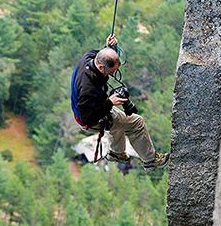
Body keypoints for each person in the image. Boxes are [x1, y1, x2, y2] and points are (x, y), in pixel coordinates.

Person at [71, 34, 169, 171]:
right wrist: (109, 102)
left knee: (118, 120)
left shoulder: (89, 57)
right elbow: (87, 118)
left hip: (92, 107)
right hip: (89, 118)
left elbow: (102, 55)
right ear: (100, 67)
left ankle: (116, 153)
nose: (113, 74)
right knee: (136, 123)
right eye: (111, 72)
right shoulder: (88, 89)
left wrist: (109, 47)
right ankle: (150, 160)